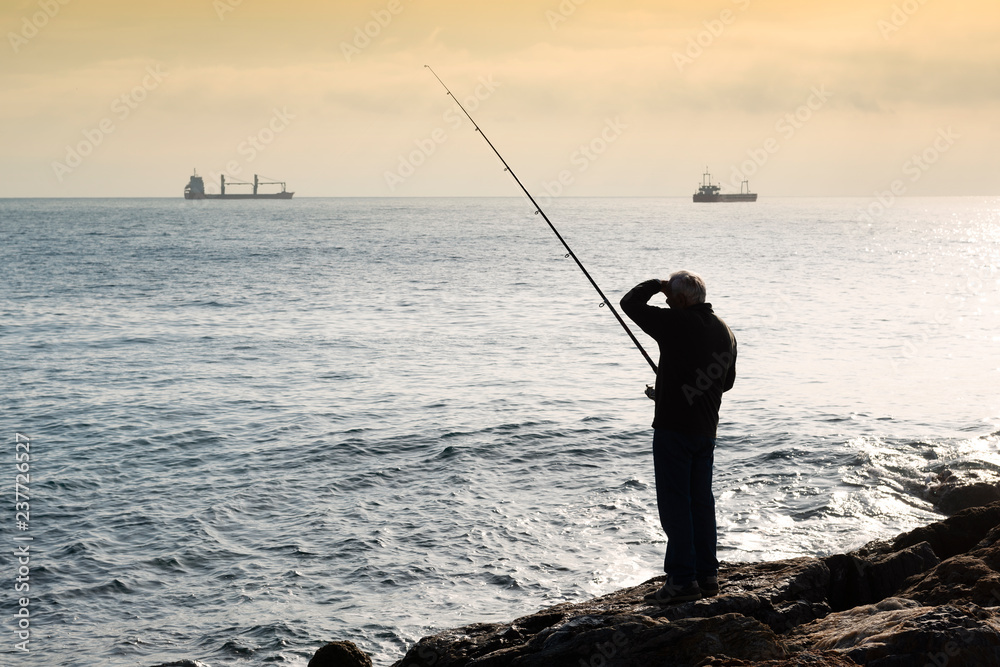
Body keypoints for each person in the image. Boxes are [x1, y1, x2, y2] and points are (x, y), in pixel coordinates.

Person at [620, 271, 737, 604]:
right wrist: (677, 389)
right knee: (700, 503)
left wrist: (654, 285)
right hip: (705, 431)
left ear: (683, 300)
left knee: (675, 505)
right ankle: (707, 576)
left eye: (671, 298)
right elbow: (724, 383)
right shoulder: (725, 332)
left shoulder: (676, 322)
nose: (667, 303)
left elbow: (629, 303)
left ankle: (682, 581)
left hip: (674, 430)